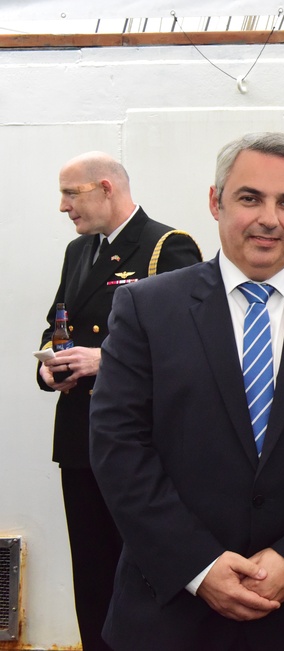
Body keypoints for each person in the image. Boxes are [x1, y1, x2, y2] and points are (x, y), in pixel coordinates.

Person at [89, 132, 284, 651]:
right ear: (216, 201)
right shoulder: (146, 309)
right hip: (169, 611)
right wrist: (197, 565)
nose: (269, 219)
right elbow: (118, 446)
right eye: (250, 198)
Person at [37, 151, 202, 650]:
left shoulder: (165, 246)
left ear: (106, 187)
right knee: (92, 574)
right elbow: (58, 327)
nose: (64, 207)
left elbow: (190, 344)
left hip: (139, 443)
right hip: (81, 438)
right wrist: (51, 368)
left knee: (142, 576)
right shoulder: (79, 252)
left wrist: (103, 361)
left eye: (72, 193)